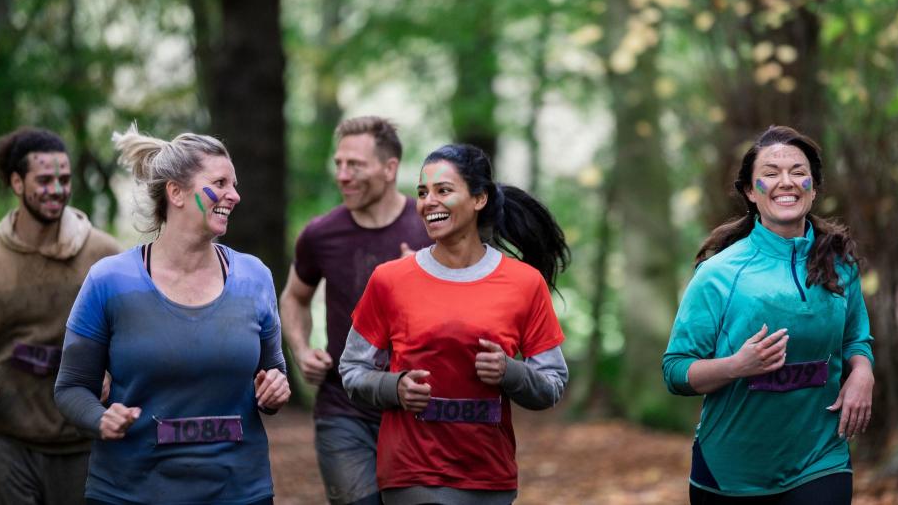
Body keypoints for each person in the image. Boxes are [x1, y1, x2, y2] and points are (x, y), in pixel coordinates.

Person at [54, 124, 290, 505]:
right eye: (221, 182)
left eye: (235, 183)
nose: (235, 194)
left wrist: (275, 389)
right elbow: (70, 388)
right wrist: (100, 419)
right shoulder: (110, 281)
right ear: (176, 192)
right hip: (131, 491)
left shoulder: (254, 277)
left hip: (238, 491)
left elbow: (273, 374)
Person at [339, 143, 571, 505]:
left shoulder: (524, 283)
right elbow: (352, 369)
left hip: (490, 476)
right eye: (421, 192)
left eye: (443, 190)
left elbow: (552, 383)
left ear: (479, 199)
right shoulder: (389, 280)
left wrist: (510, 372)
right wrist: (394, 387)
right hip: (412, 473)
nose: (428, 201)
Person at [662, 126, 875, 504]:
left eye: (797, 171)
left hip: (820, 458)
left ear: (813, 186)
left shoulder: (840, 264)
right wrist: (736, 365)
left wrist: (862, 372)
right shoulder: (719, 273)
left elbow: (855, 339)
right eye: (771, 173)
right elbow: (676, 370)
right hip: (732, 470)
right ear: (749, 191)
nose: (786, 182)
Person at [280, 116, 430, 505]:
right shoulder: (320, 234)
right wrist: (300, 350)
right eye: (339, 164)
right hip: (343, 407)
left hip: (419, 407)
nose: (342, 175)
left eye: (355, 165)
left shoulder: (432, 229)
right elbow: (294, 297)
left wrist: (428, 275)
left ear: (389, 168)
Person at [0, 127, 120, 505]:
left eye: (64, 179)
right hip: (8, 440)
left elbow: (132, 332)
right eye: (44, 180)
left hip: (82, 441)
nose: (57, 189)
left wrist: (114, 370)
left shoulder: (103, 254)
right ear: (17, 182)